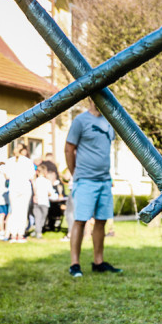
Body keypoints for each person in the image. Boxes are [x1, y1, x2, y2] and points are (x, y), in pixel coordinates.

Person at [65, 104, 121, 277]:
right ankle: (75, 264)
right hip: (85, 180)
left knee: (101, 220)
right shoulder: (80, 121)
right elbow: (68, 149)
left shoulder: (109, 121)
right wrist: (75, 174)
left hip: (104, 180)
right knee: (80, 220)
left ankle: (98, 262)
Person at [6, 143, 35, 243]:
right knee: (22, 211)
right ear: (24, 151)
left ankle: (13, 234)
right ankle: (20, 234)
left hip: (13, 187)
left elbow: (7, 176)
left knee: (14, 211)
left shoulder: (10, 161)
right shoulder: (28, 161)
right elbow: (32, 177)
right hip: (24, 188)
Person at [31, 164, 54, 239]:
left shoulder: (35, 181)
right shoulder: (47, 182)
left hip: (37, 202)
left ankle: (37, 231)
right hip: (44, 202)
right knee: (42, 218)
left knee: (37, 217)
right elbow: (50, 192)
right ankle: (39, 232)